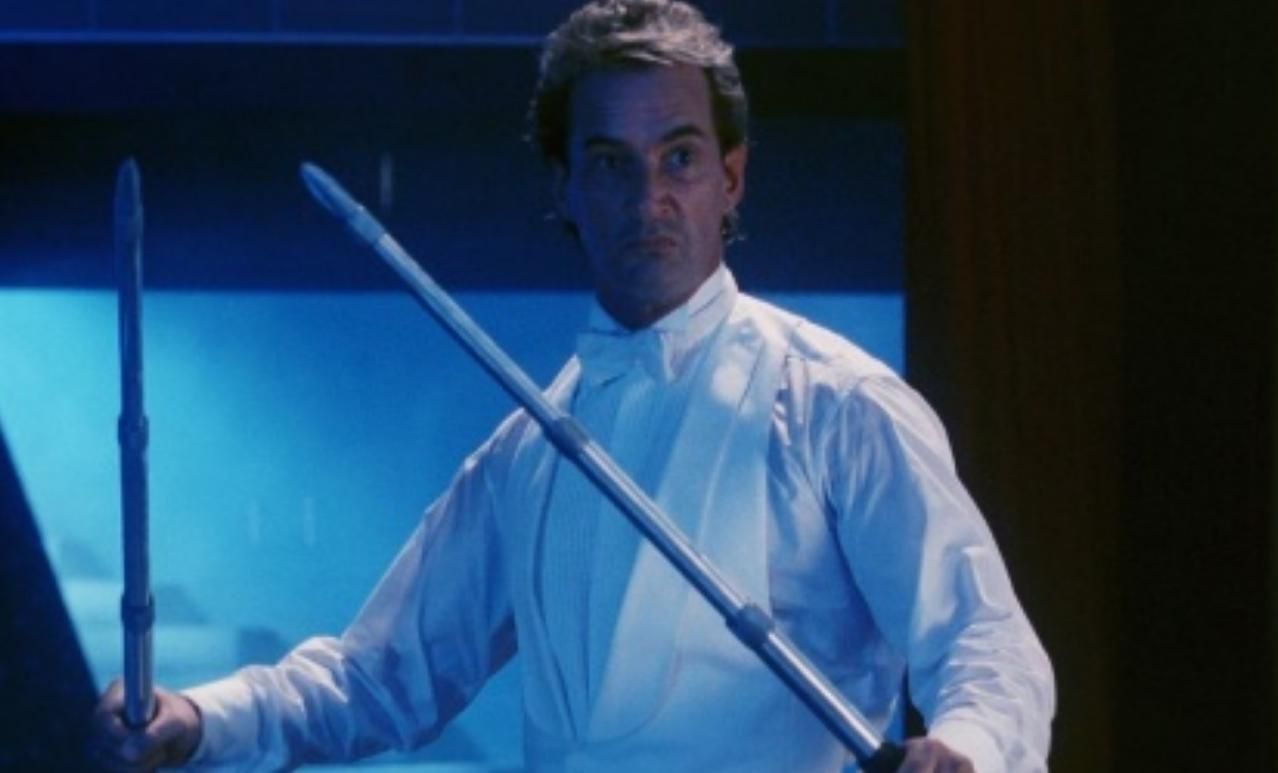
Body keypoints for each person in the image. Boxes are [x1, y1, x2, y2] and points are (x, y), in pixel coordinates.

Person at [92, 1, 1055, 771]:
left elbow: (987, 642)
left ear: (732, 176)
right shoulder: (527, 452)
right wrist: (200, 717)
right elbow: (377, 677)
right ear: (563, 188)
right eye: (610, 164)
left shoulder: (839, 404)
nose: (648, 198)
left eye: (679, 157)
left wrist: (967, 748)